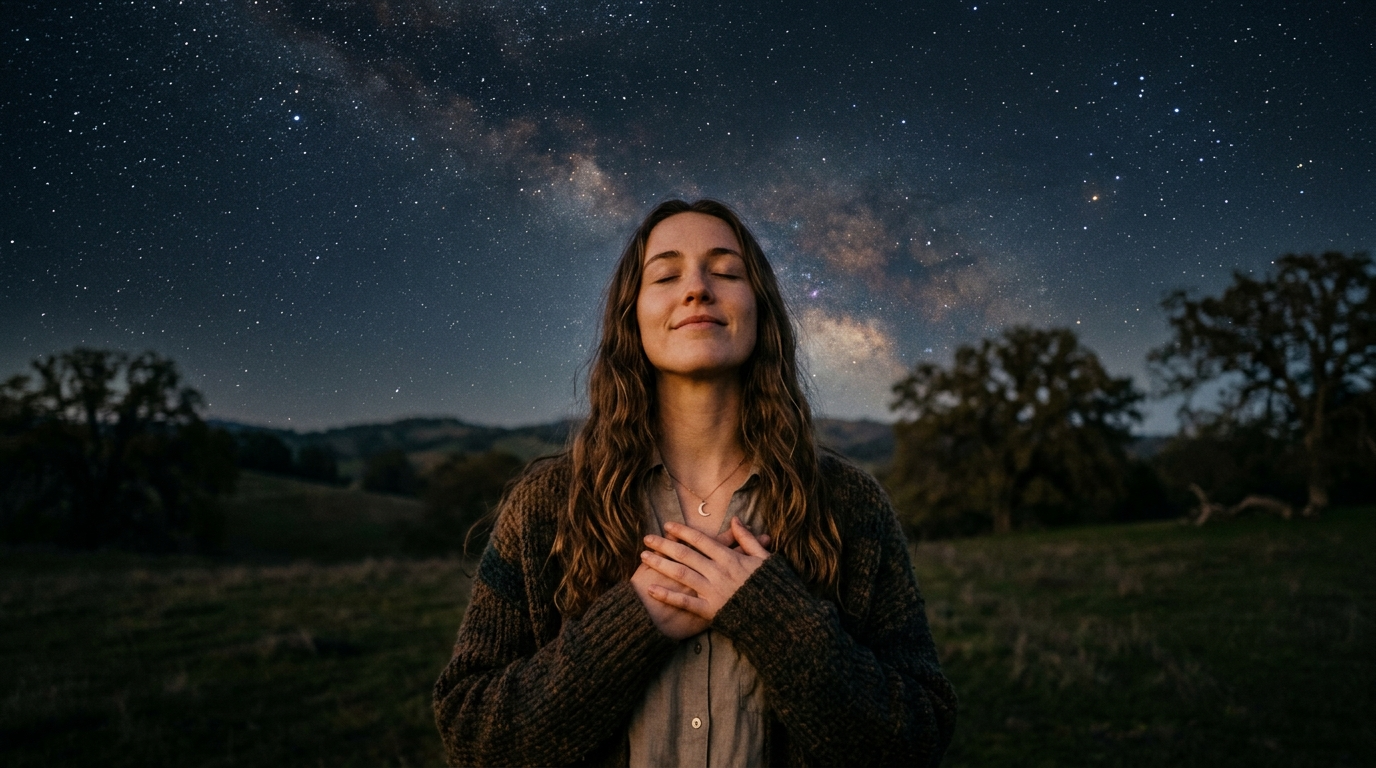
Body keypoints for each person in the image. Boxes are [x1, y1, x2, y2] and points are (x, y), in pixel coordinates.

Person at [433, 199, 956, 767]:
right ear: (632, 316)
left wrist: (768, 616)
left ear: (760, 311)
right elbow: (472, 733)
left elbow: (917, 736)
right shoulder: (547, 506)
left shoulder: (848, 505)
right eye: (665, 274)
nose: (697, 289)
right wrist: (636, 623)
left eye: (727, 272)